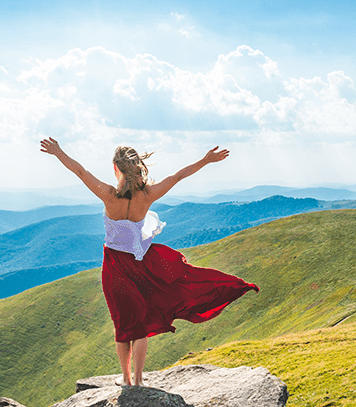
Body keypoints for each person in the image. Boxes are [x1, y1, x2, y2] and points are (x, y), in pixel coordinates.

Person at [39, 137, 258, 387]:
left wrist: (58, 152)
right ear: (137, 168)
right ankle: (140, 380)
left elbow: (79, 171)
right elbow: (177, 177)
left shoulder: (108, 194)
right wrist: (206, 160)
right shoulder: (148, 195)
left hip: (114, 267)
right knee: (140, 324)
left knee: (122, 322)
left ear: (116, 168)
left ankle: (125, 379)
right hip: (140, 265)